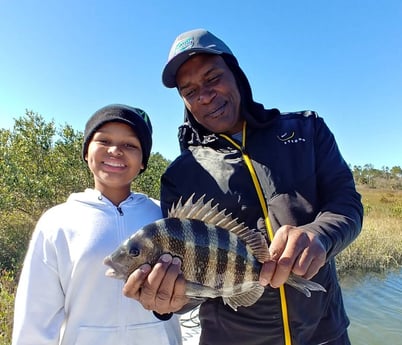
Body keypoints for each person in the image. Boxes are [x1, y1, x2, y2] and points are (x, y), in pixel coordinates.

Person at [123, 29, 364, 345]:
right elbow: (196, 285)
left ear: (236, 74)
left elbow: (347, 203)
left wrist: (319, 236)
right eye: (190, 91)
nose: (205, 95)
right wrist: (170, 300)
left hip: (324, 333)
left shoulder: (307, 130)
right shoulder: (181, 174)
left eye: (212, 79)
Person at [12, 104, 182, 345]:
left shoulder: (166, 218)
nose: (115, 150)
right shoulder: (57, 221)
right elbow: (35, 315)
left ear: (143, 161)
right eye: (103, 141)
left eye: (130, 145)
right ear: (85, 152)